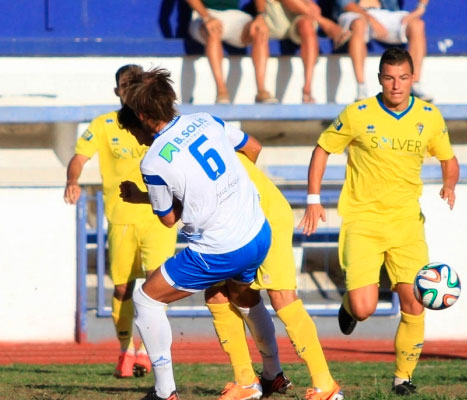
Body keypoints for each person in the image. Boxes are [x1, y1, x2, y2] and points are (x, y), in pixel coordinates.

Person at [298, 47, 459, 396]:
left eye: (403, 78)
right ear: (380, 79)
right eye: (389, 78)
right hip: (363, 221)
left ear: (412, 78)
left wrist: (449, 183)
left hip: (406, 223)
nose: (396, 85)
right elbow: (323, 149)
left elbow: (449, 158)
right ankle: (349, 307)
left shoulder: (430, 116)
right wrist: (314, 199)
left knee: (414, 302)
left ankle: (403, 378)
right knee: (365, 307)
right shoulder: (358, 113)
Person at [117, 67, 272, 400]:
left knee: (146, 297)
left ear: (143, 116)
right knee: (243, 297)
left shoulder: (154, 161)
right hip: (258, 231)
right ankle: (273, 375)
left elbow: (169, 220)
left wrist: (140, 196)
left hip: (220, 248)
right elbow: (254, 148)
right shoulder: (206, 119)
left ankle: (164, 392)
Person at [63, 65, 178, 379]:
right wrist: (73, 180)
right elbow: (79, 156)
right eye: (125, 85)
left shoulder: (157, 123)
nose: (130, 89)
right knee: (122, 289)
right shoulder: (104, 124)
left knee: (158, 286)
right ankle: (126, 349)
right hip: (121, 220)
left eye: (135, 84)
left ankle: (148, 352)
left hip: (159, 218)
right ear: (117, 91)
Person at [205, 152, 344, 400]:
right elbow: (252, 147)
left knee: (282, 297)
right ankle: (259, 378)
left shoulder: (199, 132)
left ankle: (326, 385)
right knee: (218, 293)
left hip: (265, 216)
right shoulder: (200, 132)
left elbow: (253, 147)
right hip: (232, 222)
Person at [334, 0, 431, 102]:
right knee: (359, 23)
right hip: (353, 13)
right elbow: (345, 4)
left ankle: (414, 84)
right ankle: (361, 89)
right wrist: (371, 19)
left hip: (386, 12)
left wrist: (421, 7)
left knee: (417, 24)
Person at [186, 0, 278, 104]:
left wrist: (261, 16)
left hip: (234, 15)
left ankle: (262, 91)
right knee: (213, 31)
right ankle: (221, 92)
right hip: (203, 14)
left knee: (259, 29)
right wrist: (206, 17)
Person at [263, 0, 350, 103]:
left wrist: (307, 4)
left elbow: (315, 8)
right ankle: (328, 26)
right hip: (274, 21)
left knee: (307, 25)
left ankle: (307, 89)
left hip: (297, 18)